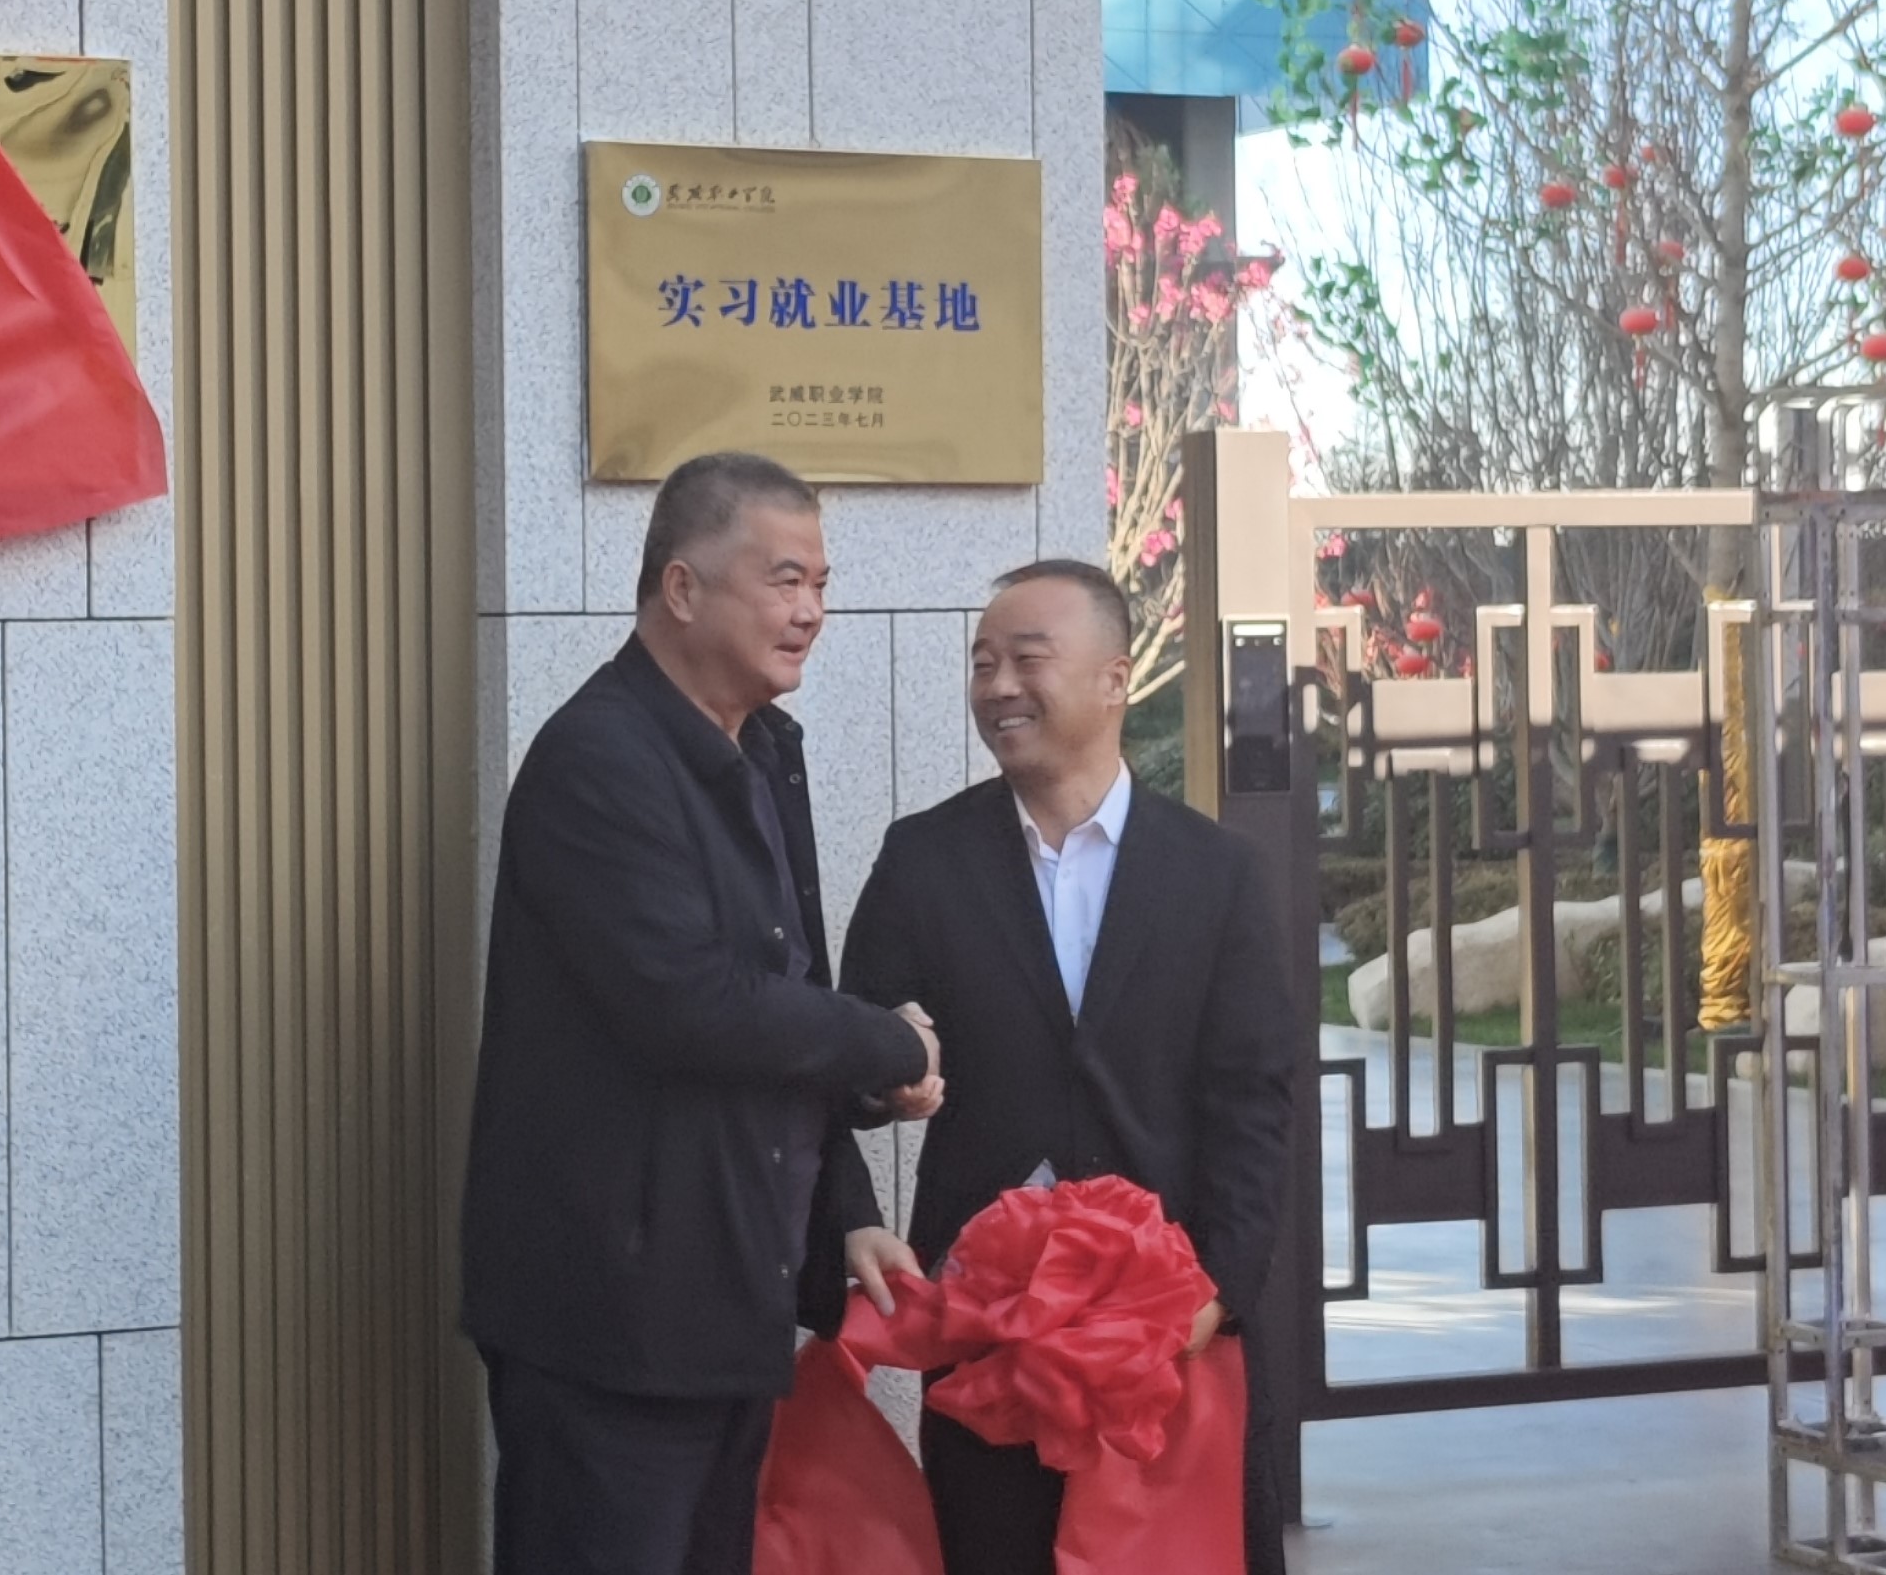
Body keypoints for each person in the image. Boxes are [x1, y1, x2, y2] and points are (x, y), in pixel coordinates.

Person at [461, 451, 941, 1575]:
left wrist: (844, 1210)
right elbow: (688, 1004)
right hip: (609, 1322)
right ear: (681, 587)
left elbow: (787, 987)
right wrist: (888, 1041)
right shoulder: (599, 757)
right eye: (784, 580)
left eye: (821, 582)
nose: (811, 611)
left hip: (727, 1303)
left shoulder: (763, 751)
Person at [839, 558, 1294, 1575]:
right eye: (981, 663)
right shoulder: (923, 858)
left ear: (1114, 677)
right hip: (993, 1333)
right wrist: (886, 1075)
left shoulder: (1215, 873)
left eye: (1026, 658)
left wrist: (1215, 1294)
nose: (997, 685)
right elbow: (853, 1059)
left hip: (1166, 1332)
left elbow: (1253, 1102)